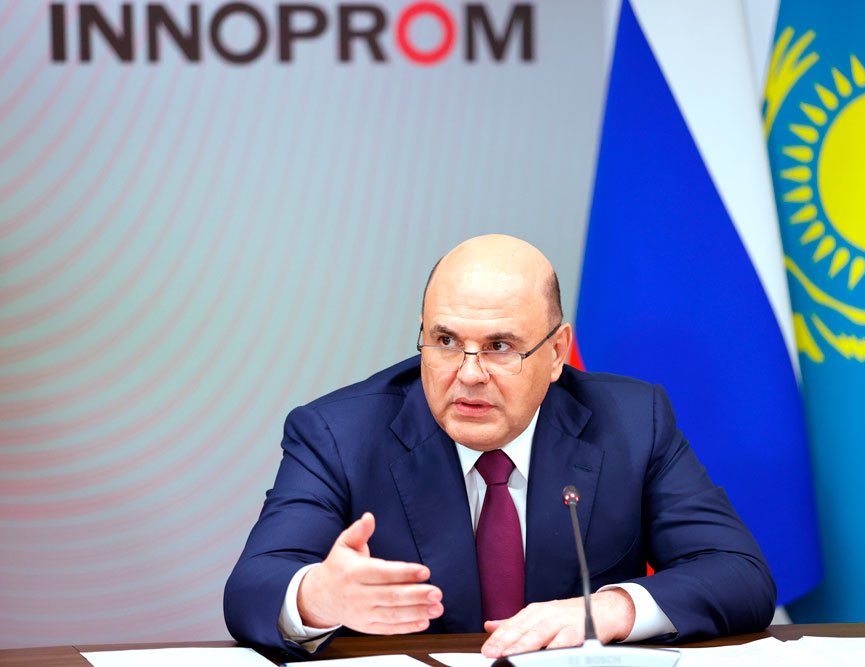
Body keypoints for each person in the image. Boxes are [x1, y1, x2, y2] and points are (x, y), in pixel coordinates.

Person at [224, 234, 775, 660]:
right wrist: (319, 597)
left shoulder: (631, 422)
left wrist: (609, 609)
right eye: (445, 341)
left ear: (556, 353)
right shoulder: (339, 434)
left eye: (500, 347)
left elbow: (739, 573)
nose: (468, 374)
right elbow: (252, 586)